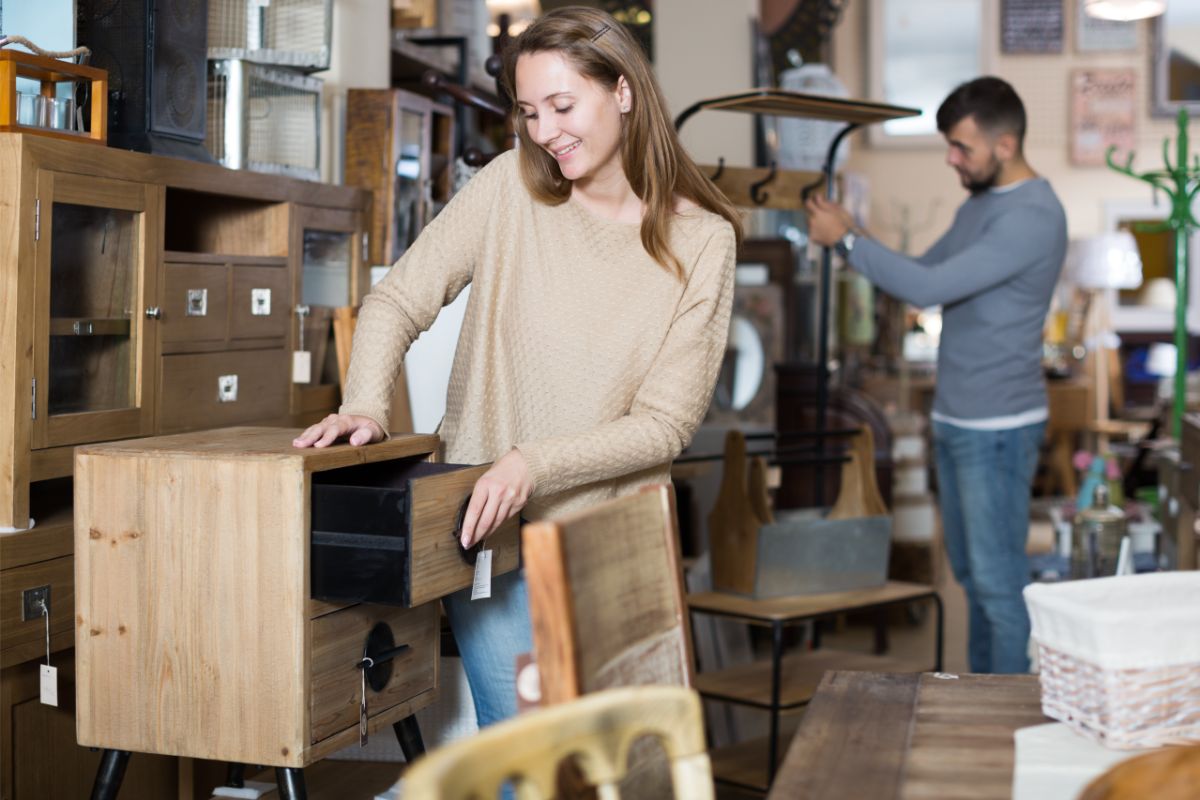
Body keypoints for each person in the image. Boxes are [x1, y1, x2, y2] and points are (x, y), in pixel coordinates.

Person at [294, 7, 741, 727]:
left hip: (613, 545)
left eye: (563, 106)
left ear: (623, 91)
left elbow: (664, 426)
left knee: (619, 772)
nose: (544, 132)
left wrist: (531, 465)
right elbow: (395, 301)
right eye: (530, 112)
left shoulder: (702, 241)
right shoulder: (509, 188)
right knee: (529, 764)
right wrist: (368, 405)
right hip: (488, 539)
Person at [806, 76, 1067, 674]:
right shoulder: (982, 204)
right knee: (974, 580)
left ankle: (1003, 735)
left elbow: (925, 290)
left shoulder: (1033, 215)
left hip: (997, 427)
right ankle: (980, 710)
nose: (952, 159)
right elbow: (924, 268)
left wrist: (845, 240)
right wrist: (852, 230)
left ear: (1004, 145)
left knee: (999, 588)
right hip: (959, 419)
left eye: (961, 148)